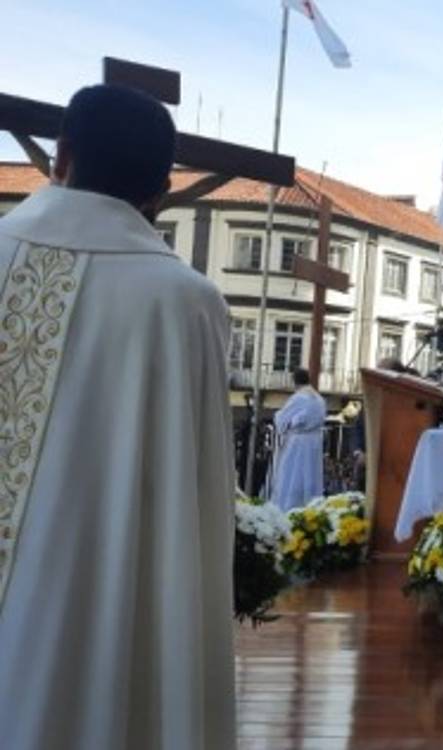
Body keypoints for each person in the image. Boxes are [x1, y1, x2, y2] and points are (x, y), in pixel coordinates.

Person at [0, 85, 236, 749]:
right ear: (162, 188)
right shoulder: (184, 302)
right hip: (106, 586)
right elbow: (193, 497)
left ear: (60, 156)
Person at [268, 369, 327, 510]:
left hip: (298, 442)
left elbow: (282, 419)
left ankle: (289, 506)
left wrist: (277, 415)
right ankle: (311, 506)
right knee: (311, 475)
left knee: (292, 474)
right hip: (314, 442)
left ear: (294, 381)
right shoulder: (319, 398)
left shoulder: (298, 397)